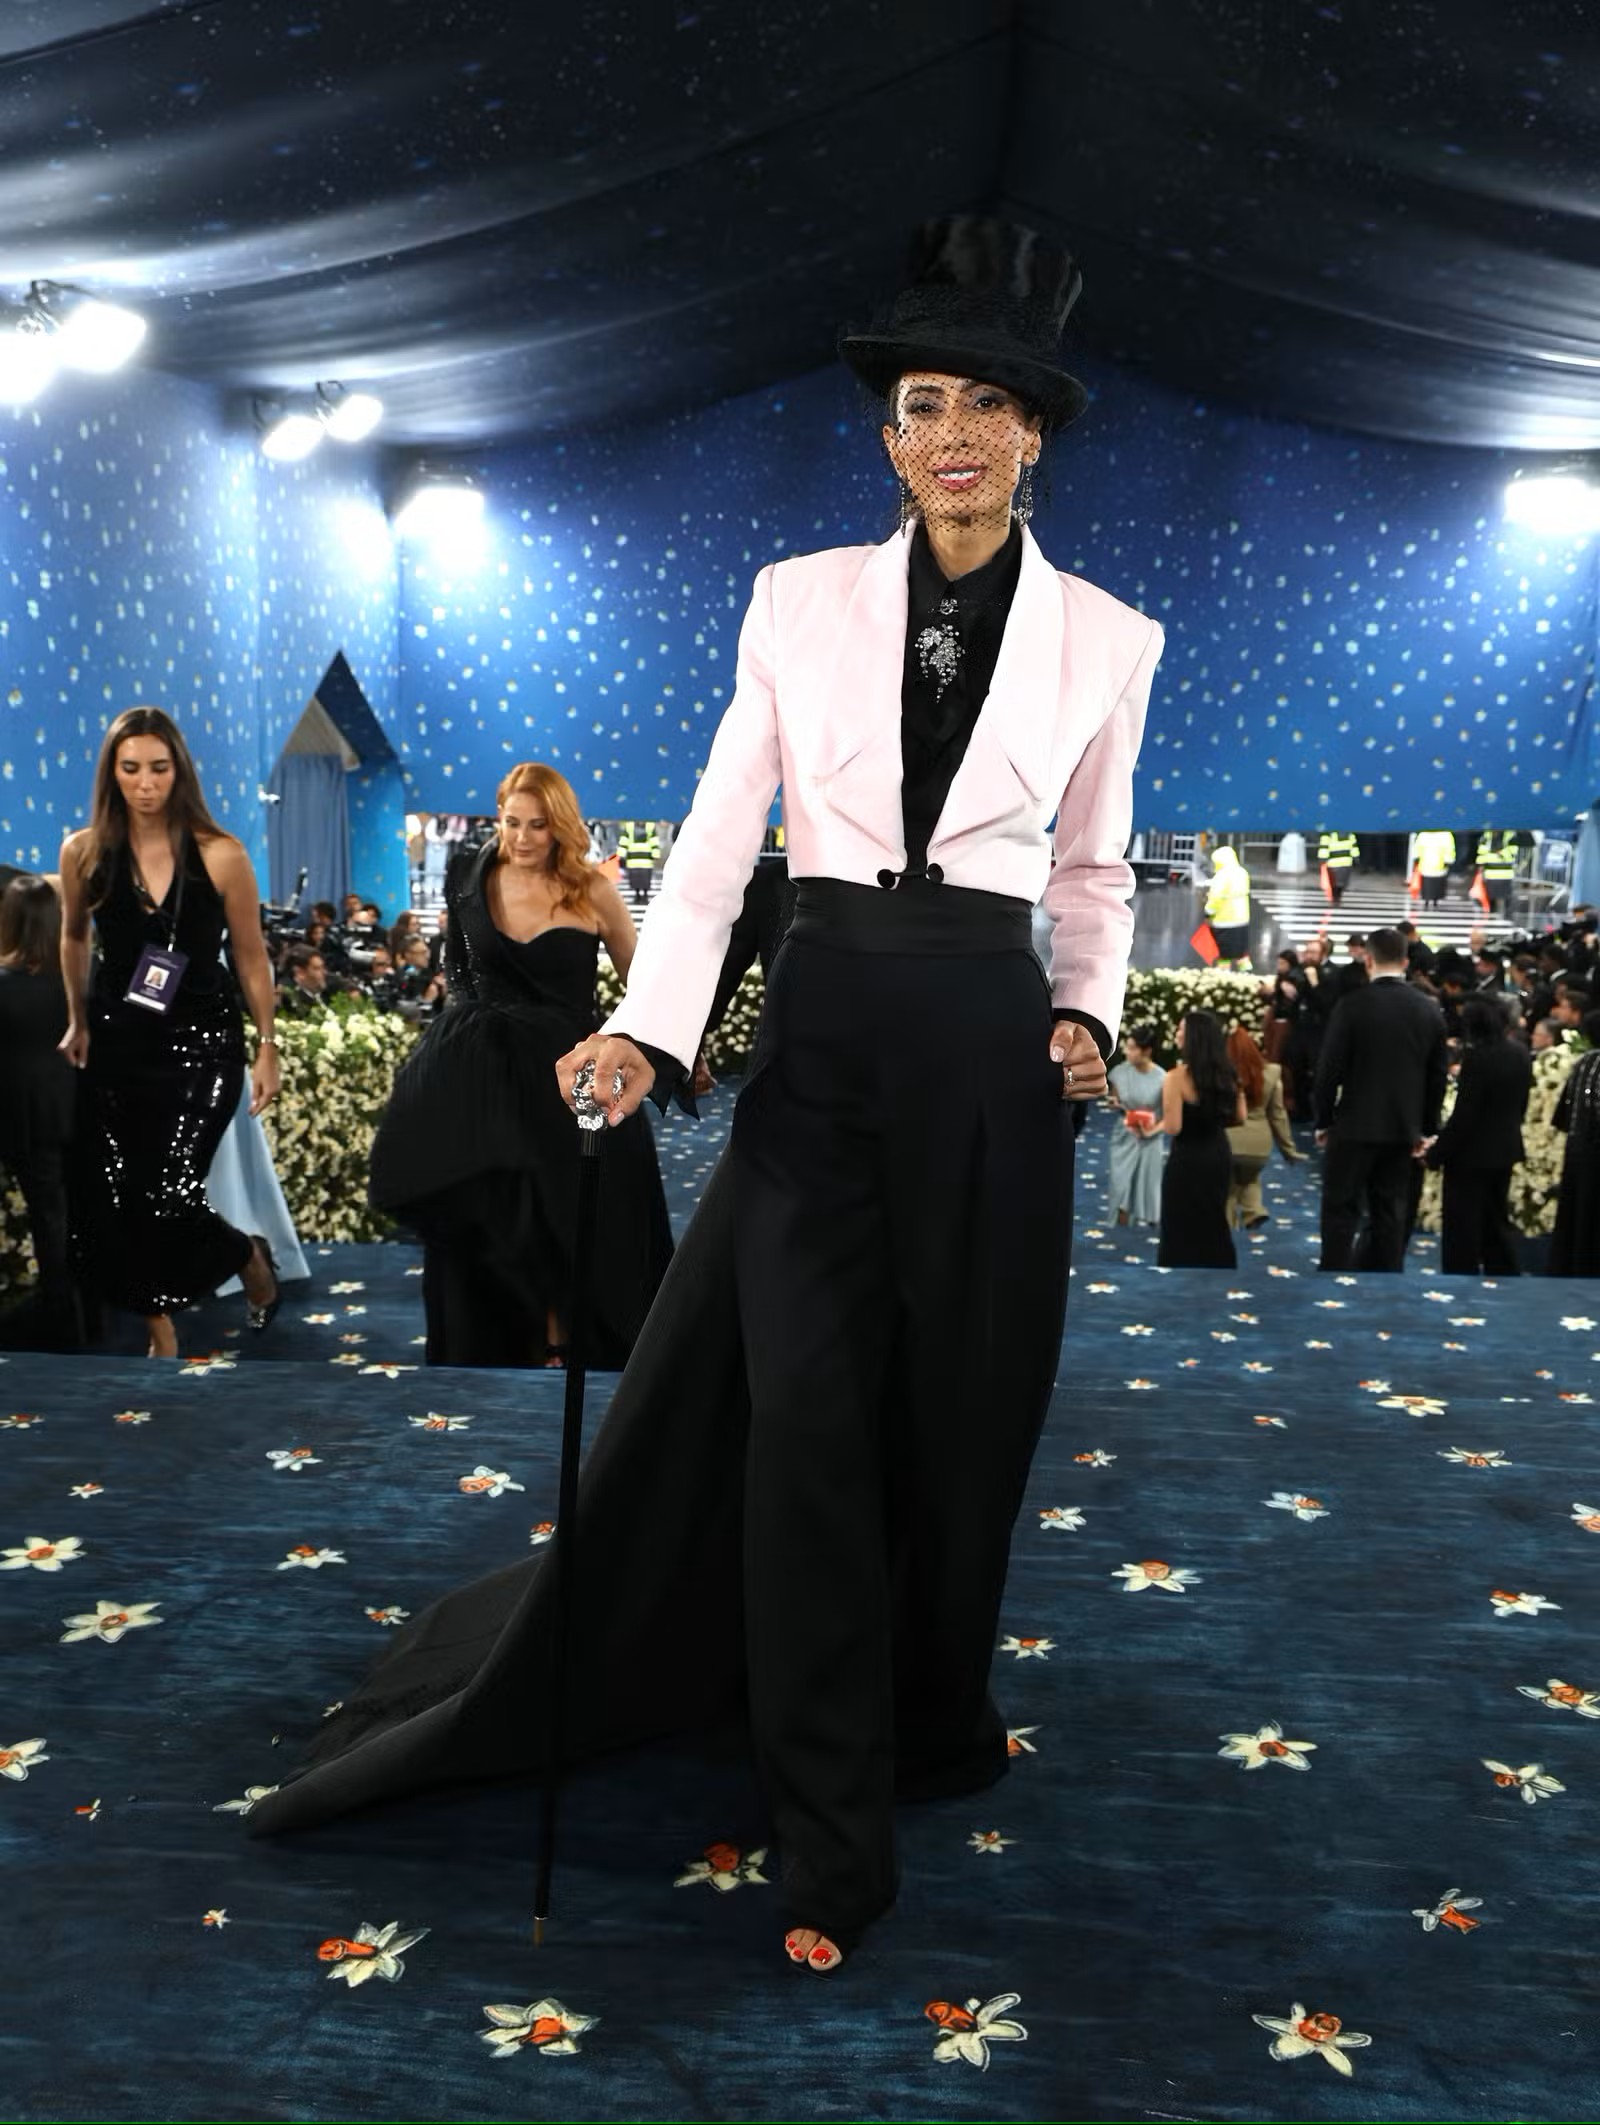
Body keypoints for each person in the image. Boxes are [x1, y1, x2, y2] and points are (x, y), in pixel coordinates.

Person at [250, 217, 1164, 1977]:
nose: (953, 433)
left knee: (966, 1424)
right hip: (820, 1050)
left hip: (989, 1056)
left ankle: (931, 1715)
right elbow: (720, 839)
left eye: (988, 403)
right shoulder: (791, 602)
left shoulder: (1113, 640)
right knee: (806, 1426)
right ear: (886, 435)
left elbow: (1095, 873)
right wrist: (651, 1034)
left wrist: (1084, 1016)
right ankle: (831, 1834)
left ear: (1036, 432)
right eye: (922, 404)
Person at [365, 760, 673, 1368]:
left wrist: (672, 1046)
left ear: (561, 826)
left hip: (568, 1076)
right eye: (512, 823)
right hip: (486, 1074)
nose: (523, 837)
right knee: (500, 1209)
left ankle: (574, 1336)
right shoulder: (469, 877)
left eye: (538, 825)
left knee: (576, 1210)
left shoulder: (594, 891)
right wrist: (461, 1044)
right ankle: (517, 1336)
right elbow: (457, 972)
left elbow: (640, 986)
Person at [57, 706, 281, 1357]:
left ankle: (246, 1254)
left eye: (159, 767)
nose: (146, 783)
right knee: (114, 1192)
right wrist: (76, 1018)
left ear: (179, 770)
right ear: (113, 773)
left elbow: (250, 957)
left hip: (203, 1046)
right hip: (116, 1040)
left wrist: (267, 1045)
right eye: (131, 768)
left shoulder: (222, 854)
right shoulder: (83, 852)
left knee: (169, 1191)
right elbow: (74, 938)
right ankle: (160, 1326)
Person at [1314, 924, 1448, 1272]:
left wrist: (1324, 1119)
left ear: (1368, 961)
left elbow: (1328, 1069)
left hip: (1352, 1124)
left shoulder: (1352, 1005)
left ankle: (1333, 1277)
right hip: (1403, 1128)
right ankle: (1388, 1281)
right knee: (1390, 1211)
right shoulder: (1428, 1009)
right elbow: (1437, 1077)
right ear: (1405, 962)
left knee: (1341, 1207)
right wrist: (1426, 1129)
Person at [0, 875, 85, 1350]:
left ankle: (60, 1316)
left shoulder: (5, 984)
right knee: (70, 1213)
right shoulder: (80, 977)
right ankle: (81, 1313)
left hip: (22, 1117)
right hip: (75, 1107)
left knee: (49, 1218)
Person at [1426, 996, 1531, 1275]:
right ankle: (1504, 1273)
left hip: (1470, 1155)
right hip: (1505, 1147)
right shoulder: (1520, 1052)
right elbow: (1521, 1104)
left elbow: (1465, 1114)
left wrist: (1437, 1154)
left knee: (1462, 1224)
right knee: (1496, 1218)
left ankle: (1461, 1276)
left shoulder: (1478, 1058)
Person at [1157, 1010, 1245, 1265]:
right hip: (1218, 1154)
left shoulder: (1175, 1078)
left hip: (1187, 1158)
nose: (1176, 1034)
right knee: (1214, 1217)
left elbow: (1173, 1127)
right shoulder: (1229, 1074)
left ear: (1193, 1037)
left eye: (1181, 1029)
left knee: (1179, 1222)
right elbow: (1240, 1117)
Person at [1224, 1024, 1302, 1229]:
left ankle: (1228, 1225)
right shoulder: (1272, 1074)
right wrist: (1289, 1150)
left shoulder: (1220, 1075)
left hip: (1226, 1143)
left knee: (1227, 1189)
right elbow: (1278, 1116)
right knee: (1250, 1177)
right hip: (1259, 1147)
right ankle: (1253, 1210)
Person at [1549, 1009, 1600, 1275]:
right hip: (1593, 1151)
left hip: (1577, 1149)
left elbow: (1564, 1115)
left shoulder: (1583, 1063)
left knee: (1578, 1212)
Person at [1105, 1023, 1166, 1225]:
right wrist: (1114, 1104)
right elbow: (1114, 1100)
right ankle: (1121, 1220)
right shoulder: (1119, 1073)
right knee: (1120, 1182)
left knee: (1147, 1186)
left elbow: (1169, 1116)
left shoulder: (1163, 1078)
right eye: (1127, 1047)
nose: (1127, 1052)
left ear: (1147, 1051)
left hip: (1151, 1136)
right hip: (1125, 1132)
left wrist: (1151, 1131)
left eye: (1132, 1048)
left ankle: (1147, 1222)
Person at [1203, 845, 1251, 970]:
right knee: (1242, 953)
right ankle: (1246, 974)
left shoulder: (1221, 876)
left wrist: (1208, 912)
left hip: (1225, 921)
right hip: (1242, 919)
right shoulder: (1242, 872)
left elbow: (1216, 898)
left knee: (1224, 954)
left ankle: (1224, 976)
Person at [616, 819, 662, 907]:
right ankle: (642, 895)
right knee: (643, 878)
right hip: (644, 858)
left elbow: (624, 841)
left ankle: (639, 895)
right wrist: (655, 854)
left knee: (637, 878)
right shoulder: (649, 826)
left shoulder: (630, 826)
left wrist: (620, 854)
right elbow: (654, 842)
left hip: (635, 858)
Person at [277, 942, 329, 1017]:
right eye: (317, 968)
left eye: (323, 967)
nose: (324, 972)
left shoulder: (324, 994)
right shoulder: (290, 1000)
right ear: (300, 973)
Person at [1412, 828, 1455, 907]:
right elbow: (1449, 850)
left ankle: (1426, 900)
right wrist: (1448, 861)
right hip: (1439, 865)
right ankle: (1435, 900)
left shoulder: (1423, 834)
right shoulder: (1446, 834)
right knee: (1437, 884)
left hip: (1425, 864)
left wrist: (1416, 859)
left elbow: (1417, 848)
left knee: (1426, 884)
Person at [1318, 828, 1359, 904]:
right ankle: (1337, 897)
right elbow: (1354, 846)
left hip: (1333, 863)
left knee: (1334, 883)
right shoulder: (1349, 833)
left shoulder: (1327, 833)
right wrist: (1356, 857)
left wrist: (1322, 859)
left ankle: (1336, 897)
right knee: (1342, 882)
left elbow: (1324, 847)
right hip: (1346, 862)